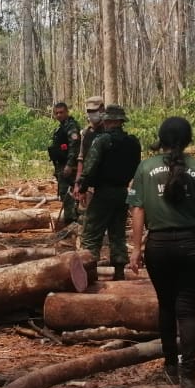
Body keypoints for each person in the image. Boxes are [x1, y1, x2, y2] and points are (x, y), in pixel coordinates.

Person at [127, 117, 195, 388]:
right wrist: (192, 226)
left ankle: (170, 367)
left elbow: (137, 209)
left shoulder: (145, 167)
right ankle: (189, 381)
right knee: (187, 310)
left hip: (159, 246)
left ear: (160, 138)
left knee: (166, 305)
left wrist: (136, 248)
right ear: (188, 139)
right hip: (193, 245)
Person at [77, 105, 141, 280]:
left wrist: (81, 187)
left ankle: (89, 274)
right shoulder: (133, 142)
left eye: (106, 120)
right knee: (117, 233)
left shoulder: (102, 140)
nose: (104, 122)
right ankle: (119, 273)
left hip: (103, 193)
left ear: (111, 121)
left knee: (91, 234)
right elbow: (136, 168)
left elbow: (89, 168)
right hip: (122, 193)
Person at [48, 102, 82, 225]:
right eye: (56, 113)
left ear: (67, 112)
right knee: (64, 194)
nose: (59, 115)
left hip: (69, 166)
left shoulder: (71, 127)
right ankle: (71, 219)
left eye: (61, 112)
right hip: (61, 165)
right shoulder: (61, 127)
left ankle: (73, 221)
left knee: (69, 193)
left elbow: (74, 147)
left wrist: (69, 164)